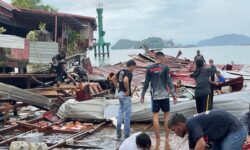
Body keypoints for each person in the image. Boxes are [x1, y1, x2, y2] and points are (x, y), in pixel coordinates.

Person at [140, 51, 177, 150]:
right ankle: (167, 138)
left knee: (155, 117)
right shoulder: (165, 68)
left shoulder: (149, 68)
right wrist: (174, 95)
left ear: (155, 58)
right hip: (165, 95)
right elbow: (169, 82)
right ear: (161, 58)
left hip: (155, 96)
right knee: (166, 117)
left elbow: (146, 83)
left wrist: (142, 94)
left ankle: (157, 138)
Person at [168, 110, 247, 150]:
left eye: (174, 130)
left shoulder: (191, 123)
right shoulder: (190, 130)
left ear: (179, 125)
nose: (175, 133)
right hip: (223, 135)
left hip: (235, 130)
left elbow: (201, 144)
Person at [112, 60, 136, 139]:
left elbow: (113, 78)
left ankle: (118, 132)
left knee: (120, 111)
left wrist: (117, 87)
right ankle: (126, 135)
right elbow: (126, 80)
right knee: (127, 115)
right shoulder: (129, 73)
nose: (134, 69)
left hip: (120, 94)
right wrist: (128, 90)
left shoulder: (121, 71)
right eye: (134, 67)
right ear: (131, 66)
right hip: (126, 95)